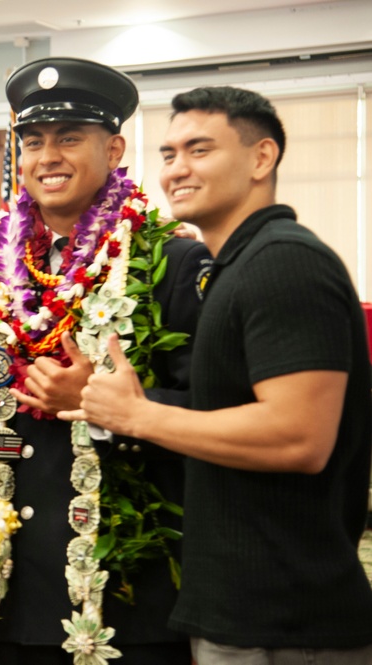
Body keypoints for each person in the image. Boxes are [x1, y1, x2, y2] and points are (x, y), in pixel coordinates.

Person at [63, 86, 372, 664]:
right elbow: (230, 413)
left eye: (199, 150)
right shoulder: (233, 267)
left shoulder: (285, 263)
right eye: (170, 153)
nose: (177, 169)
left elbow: (299, 436)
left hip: (287, 622)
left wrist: (139, 414)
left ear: (262, 158)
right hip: (244, 612)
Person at [0, 57, 212, 665]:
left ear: (113, 149)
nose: (48, 156)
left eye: (69, 139)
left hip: (132, 596)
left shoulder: (177, 267)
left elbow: (217, 422)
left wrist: (103, 407)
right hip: (15, 591)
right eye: (34, 142)